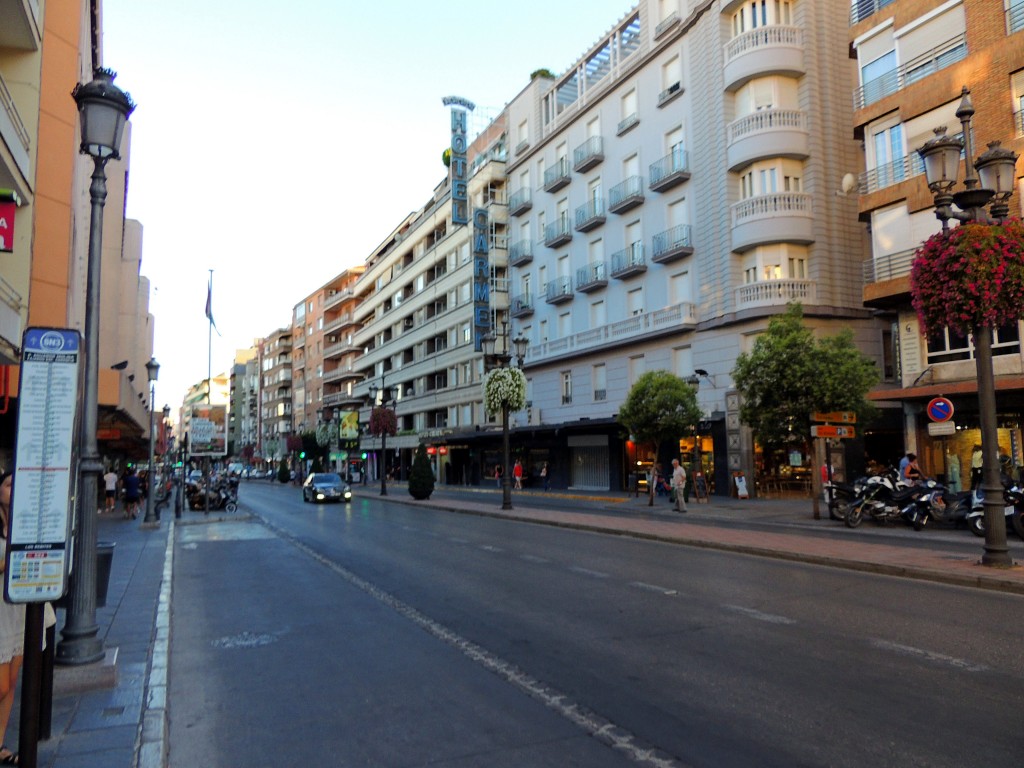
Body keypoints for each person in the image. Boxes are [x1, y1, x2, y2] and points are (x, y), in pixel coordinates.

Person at [0, 471, 25, 765]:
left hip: (18, 609)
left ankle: (0, 743)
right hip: (0, 610)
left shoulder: (24, 523)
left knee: (13, 681)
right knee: (2, 685)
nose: (13, 489)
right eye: (8, 484)